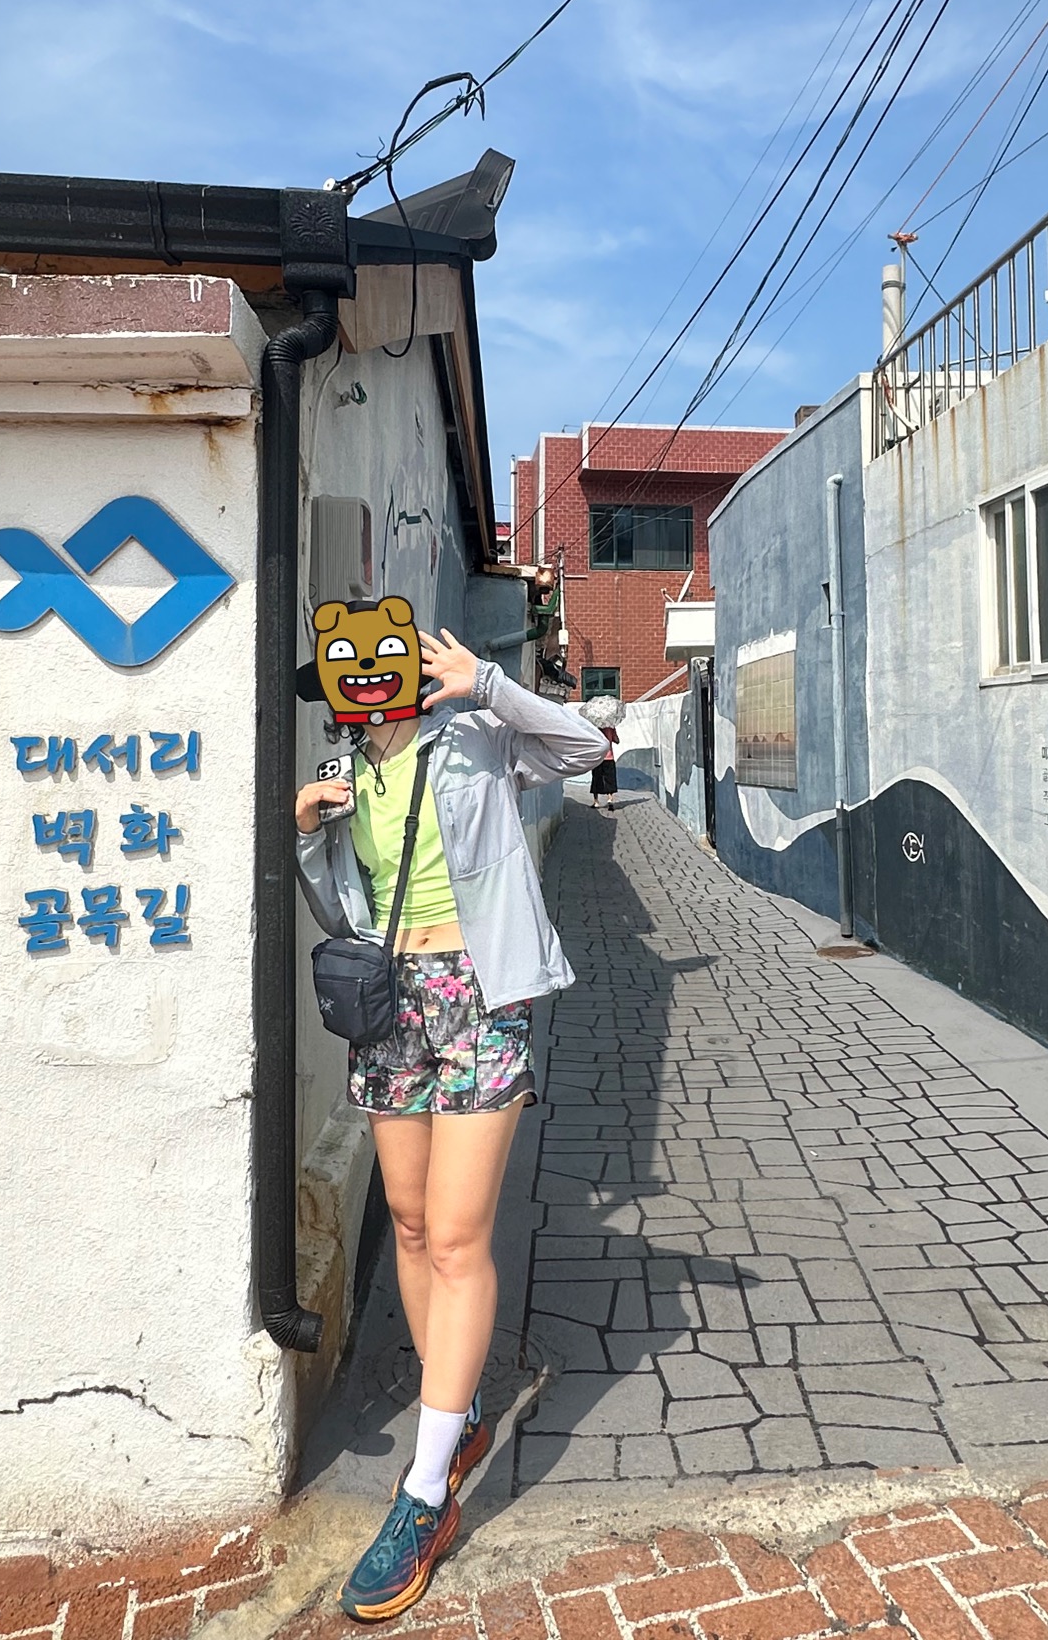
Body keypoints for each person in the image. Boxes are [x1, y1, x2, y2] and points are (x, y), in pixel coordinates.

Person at [295, 628, 606, 1623]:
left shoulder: (473, 735)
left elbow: (585, 746)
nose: (366, 683)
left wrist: (491, 683)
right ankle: (458, 1407)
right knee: (412, 1221)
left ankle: (426, 1493)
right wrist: (306, 830)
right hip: (389, 1005)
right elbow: (338, 906)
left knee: (461, 1234)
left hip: (479, 996)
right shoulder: (343, 769)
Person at [589, 723, 620, 809]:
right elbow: (617, 740)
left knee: (596, 779)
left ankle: (596, 801)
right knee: (610, 779)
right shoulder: (611, 727)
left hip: (597, 757)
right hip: (609, 757)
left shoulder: (594, 727)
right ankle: (610, 799)